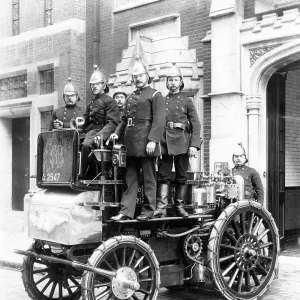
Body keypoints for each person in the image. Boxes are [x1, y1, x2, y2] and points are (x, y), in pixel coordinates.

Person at [109, 55, 166, 221]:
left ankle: (149, 211)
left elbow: (159, 120)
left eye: (140, 76)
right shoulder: (130, 97)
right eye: (135, 77)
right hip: (131, 143)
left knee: (149, 178)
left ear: (147, 76)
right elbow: (124, 120)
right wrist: (117, 133)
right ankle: (126, 211)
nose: (138, 79)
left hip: (147, 142)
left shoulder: (156, 95)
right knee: (130, 178)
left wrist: (153, 140)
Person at [154, 63, 201, 218]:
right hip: (165, 142)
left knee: (182, 175)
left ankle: (179, 205)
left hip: (182, 141)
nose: (173, 83)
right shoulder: (162, 100)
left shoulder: (187, 100)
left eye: (176, 80)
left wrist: (194, 145)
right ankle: (161, 206)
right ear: (166, 82)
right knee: (163, 174)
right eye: (170, 80)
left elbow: (196, 123)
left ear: (181, 82)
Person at [80, 65, 120, 179]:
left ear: (103, 85)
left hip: (101, 134)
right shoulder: (91, 103)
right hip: (90, 133)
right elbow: (84, 121)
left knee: (86, 146)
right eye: (92, 84)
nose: (94, 86)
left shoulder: (110, 101)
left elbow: (112, 122)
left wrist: (101, 135)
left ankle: (82, 176)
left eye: (97, 84)